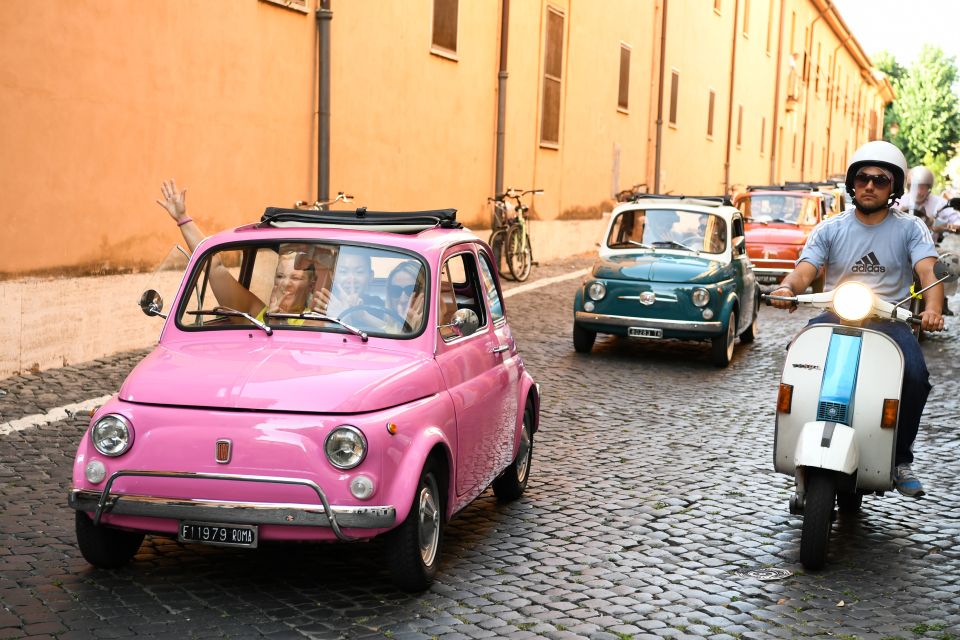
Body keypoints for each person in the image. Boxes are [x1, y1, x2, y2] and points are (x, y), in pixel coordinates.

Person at [769, 141, 944, 498]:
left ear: (894, 187)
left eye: (880, 180)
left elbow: (928, 270)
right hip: (836, 313)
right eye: (863, 178)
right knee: (797, 358)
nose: (869, 185)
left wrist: (933, 309)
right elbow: (806, 269)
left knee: (915, 375)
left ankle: (899, 459)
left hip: (889, 320)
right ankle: (798, 446)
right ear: (852, 183)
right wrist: (787, 289)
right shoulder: (830, 228)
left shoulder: (911, 229)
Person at [155, 179, 315, 323]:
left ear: (311, 285)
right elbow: (214, 267)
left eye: (296, 277)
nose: (285, 284)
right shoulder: (259, 316)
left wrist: (279, 323)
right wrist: (183, 219)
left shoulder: (316, 322)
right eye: (280, 276)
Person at [898, 166, 960, 241]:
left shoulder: (940, 203)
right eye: (916, 187)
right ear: (909, 187)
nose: (919, 192)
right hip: (902, 245)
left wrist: (947, 227)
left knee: (952, 253)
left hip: (931, 247)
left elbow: (957, 221)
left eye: (922, 188)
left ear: (929, 188)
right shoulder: (899, 201)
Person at [385, 260, 426, 333]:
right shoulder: (383, 329)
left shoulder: (439, 329)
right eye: (396, 290)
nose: (402, 300)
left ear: (425, 291)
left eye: (411, 290)